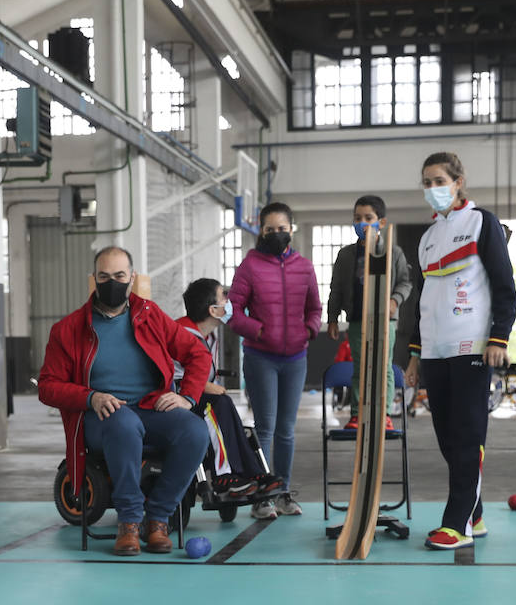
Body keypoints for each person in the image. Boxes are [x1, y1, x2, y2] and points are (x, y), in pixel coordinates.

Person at [38, 246, 211, 557]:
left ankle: (157, 518)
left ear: (132, 278)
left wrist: (186, 396)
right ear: (94, 280)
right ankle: (129, 522)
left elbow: (197, 353)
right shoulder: (68, 330)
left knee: (195, 430)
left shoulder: (151, 316)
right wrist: (90, 397)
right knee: (123, 422)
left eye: (119, 276)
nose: (112, 283)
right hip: (99, 418)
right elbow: (48, 386)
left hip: (151, 409)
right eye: (104, 277)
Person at [403, 151, 516, 550]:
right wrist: (415, 355)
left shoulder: (481, 223)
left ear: (458, 181)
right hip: (435, 351)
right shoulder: (428, 238)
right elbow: (423, 302)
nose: (433, 189)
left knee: (468, 435)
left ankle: (457, 524)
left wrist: (499, 338)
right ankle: (476, 512)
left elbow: (504, 285)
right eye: (427, 182)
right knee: (447, 438)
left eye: (439, 180)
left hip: (473, 346)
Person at [226, 201, 321, 520]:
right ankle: (261, 498)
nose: (277, 234)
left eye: (283, 229)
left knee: (287, 430)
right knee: (265, 428)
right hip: (260, 358)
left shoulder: (305, 267)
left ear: (291, 230)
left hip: (296, 358)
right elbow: (231, 311)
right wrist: (258, 329)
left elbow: (314, 309)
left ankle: (283, 493)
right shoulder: (249, 267)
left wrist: (308, 329)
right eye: (270, 229)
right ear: (260, 232)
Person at [174, 278, 282, 499]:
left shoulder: (209, 336)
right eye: (224, 296)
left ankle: (253, 473)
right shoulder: (181, 333)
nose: (229, 300)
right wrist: (204, 386)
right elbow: (169, 377)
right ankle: (224, 477)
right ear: (212, 310)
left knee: (226, 406)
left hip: (194, 396)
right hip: (176, 400)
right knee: (215, 405)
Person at [325, 194, 414, 432]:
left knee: (383, 367)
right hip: (356, 320)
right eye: (357, 218)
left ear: (381, 222)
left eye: (368, 218)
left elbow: (405, 283)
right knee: (360, 367)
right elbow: (335, 290)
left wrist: (395, 300)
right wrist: (332, 319)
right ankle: (357, 414)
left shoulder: (394, 253)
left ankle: (383, 413)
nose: (362, 222)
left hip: (386, 321)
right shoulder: (345, 255)